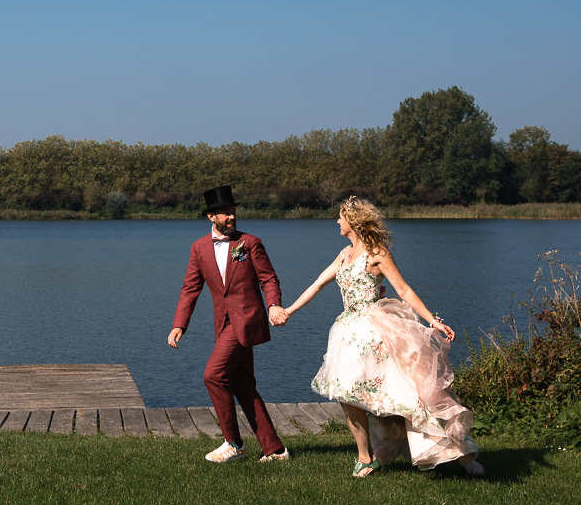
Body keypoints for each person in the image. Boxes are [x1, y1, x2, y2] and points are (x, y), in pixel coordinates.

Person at [271, 196, 483, 478]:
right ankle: (365, 457)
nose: (337, 221)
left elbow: (404, 290)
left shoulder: (377, 253)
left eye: (340, 217)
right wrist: (288, 311)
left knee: (409, 397)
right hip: (347, 332)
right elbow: (318, 283)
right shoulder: (344, 255)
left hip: (375, 331)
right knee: (346, 394)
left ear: (353, 221)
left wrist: (432, 320)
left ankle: (460, 453)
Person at [168, 185, 291, 463]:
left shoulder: (250, 243)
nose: (232, 217)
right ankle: (275, 450)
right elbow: (190, 289)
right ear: (211, 216)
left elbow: (268, 279)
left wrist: (273, 305)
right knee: (243, 386)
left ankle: (233, 443)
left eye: (234, 212)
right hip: (222, 326)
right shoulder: (199, 248)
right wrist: (179, 325)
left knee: (213, 375)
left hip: (246, 321)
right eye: (226, 213)